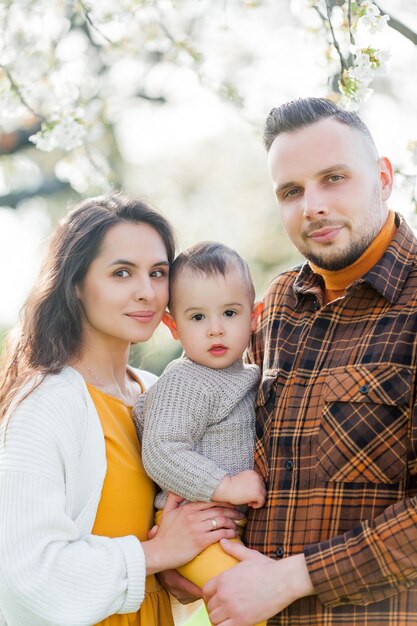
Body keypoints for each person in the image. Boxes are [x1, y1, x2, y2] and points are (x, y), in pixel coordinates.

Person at [201, 97, 417, 626]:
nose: (311, 206)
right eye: (291, 191)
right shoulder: (275, 306)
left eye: (334, 178)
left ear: (384, 177)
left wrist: (294, 578)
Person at [0, 194, 241, 626]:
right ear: (75, 284)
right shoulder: (47, 404)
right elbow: (23, 577)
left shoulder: (157, 392)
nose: (146, 292)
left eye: (158, 273)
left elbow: (156, 559)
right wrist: (156, 553)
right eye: (121, 273)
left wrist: (174, 570)